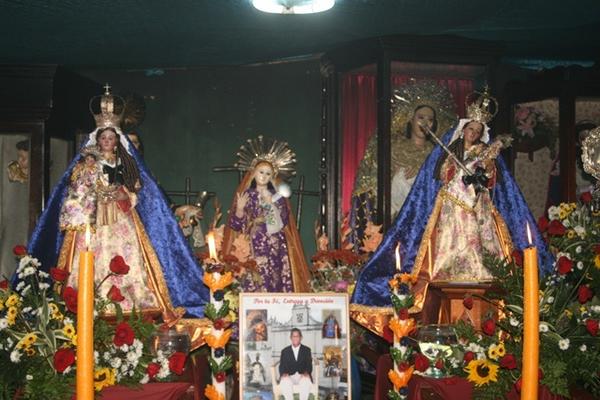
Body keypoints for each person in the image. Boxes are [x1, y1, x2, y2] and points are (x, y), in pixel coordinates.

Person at [350, 89, 554, 334]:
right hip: (451, 211)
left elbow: (493, 181)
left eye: (478, 132)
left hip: (476, 211)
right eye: (470, 130)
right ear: (463, 128)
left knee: (481, 244)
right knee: (446, 246)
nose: (473, 134)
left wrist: (483, 174)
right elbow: (438, 177)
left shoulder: (484, 153)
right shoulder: (448, 150)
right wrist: (453, 172)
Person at [23, 87, 209, 346]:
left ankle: (130, 298)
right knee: (91, 257)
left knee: (129, 256)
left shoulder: (125, 164)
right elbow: (77, 189)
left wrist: (125, 196)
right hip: (96, 219)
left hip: (121, 218)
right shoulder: (88, 162)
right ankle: (88, 299)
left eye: (112, 138)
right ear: (98, 140)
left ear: (116, 141)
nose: (108, 142)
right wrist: (90, 189)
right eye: (104, 138)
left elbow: (136, 189)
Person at [350, 80, 457, 246]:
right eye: (421, 118)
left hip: (425, 216)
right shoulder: (395, 147)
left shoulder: (436, 152)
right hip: (394, 215)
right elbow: (377, 180)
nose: (425, 123)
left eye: (430, 119)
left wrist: (423, 172)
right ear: (410, 119)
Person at [222, 136, 310, 292]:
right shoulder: (246, 195)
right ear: (253, 173)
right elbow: (236, 225)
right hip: (251, 242)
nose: (263, 176)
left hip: (274, 243)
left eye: (268, 173)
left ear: (272, 177)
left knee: (274, 276)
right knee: (253, 276)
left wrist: (270, 204)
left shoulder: (277, 197)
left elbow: (281, 222)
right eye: (261, 172)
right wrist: (240, 209)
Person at [279, 328, 312, 400]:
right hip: (289, 375)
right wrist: (283, 373)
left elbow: (309, 364)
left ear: (301, 337)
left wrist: (306, 372)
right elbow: (282, 365)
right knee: (285, 382)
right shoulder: (285, 351)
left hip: (302, 375)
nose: (295, 338)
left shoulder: (307, 350)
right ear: (290, 338)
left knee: (305, 381)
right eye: (293, 336)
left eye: (297, 336)